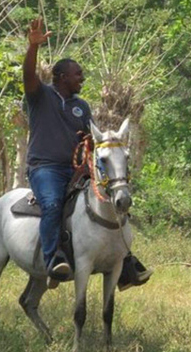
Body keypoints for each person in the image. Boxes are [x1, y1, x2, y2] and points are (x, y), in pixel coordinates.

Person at [23, 17, 152, 290]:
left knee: (111, 200)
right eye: (77, 74)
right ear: (62, 77)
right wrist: (33, 47)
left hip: (77, 169)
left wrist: (93, 168)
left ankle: (125, 261)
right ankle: (53, 259)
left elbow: (89, 141)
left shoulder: (81, 105)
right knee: (53, 204)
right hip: (45, 167)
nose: (82, 78)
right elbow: (29, 76)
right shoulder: (40, 96)